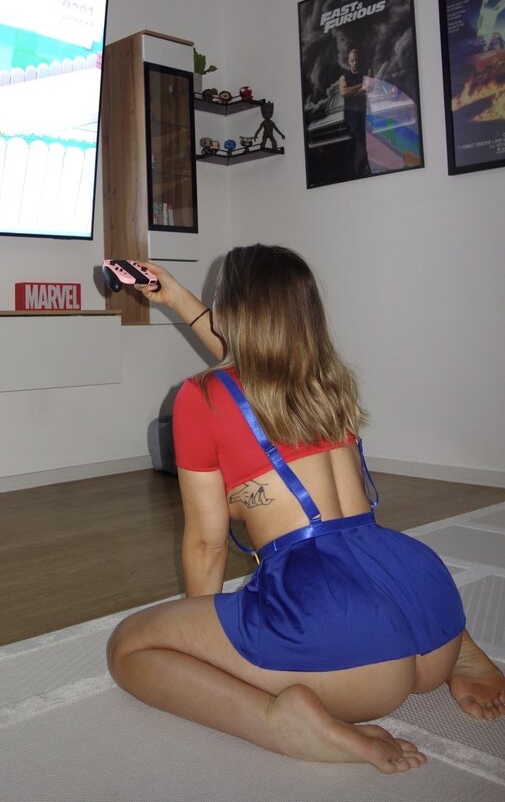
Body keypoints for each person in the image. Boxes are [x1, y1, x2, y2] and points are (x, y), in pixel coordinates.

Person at [107, 246, 505, 774]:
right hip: (428, 604)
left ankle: (278, 721)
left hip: (346, 642)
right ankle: (464, 651)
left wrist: (207, 636)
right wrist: (176, 297)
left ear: (230, 311)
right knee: (372, 566)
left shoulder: (199, 398)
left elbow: (206, 543)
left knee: (128, 648)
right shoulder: (328, 380)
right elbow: (247, 366)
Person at [338, 48, 371, 176]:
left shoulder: (367, 71)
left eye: (357, 60)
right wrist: (359, 85)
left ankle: (361, 167)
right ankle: (360, 168)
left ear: (360, 60)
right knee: (359, 139)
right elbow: (343, 93)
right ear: (348, 61)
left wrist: (350, 91)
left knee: (365, 138)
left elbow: (367, 88)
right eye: (352, 60)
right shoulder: (343, 77)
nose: (355, 63)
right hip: (351, 114)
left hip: (365, 111)